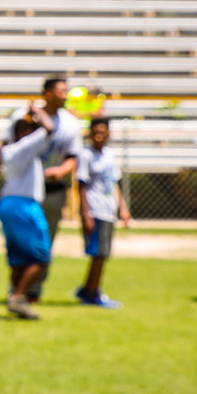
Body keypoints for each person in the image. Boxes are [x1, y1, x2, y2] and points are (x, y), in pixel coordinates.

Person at [0, 76, 80, 302]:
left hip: (46, 191)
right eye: (62, 91)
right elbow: (44, 131)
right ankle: (20, 293)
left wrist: (62, 170)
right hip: (27, 199)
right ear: (47, 93)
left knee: (26, 248)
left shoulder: (71, 123)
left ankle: (26, 291)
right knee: (39, 250)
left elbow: (73, 157)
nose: (66, 95)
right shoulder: (27, 131)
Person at [0, 100, 56, 320]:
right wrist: (37, 110)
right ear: (23, 131)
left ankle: (16, 297)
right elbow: (50, 128)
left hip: (8, 203)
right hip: (24, 205)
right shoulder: (26, 145)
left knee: (18, 258)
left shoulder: (9, 149)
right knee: (41, 257)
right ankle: (19, 297)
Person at [73, 116, 130, 309]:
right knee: (99, 254)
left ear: (108, 134)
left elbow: (114, 183)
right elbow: (81, 185)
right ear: (90, 133)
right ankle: (92, 293)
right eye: (95, 132)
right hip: (95, 209)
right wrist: (86, 213)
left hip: (108, 209)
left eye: (102, 132)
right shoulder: (85, 155)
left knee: (103, 254)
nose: (99, 136)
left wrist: (123, 208)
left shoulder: (110, 154)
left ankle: (88, 289)